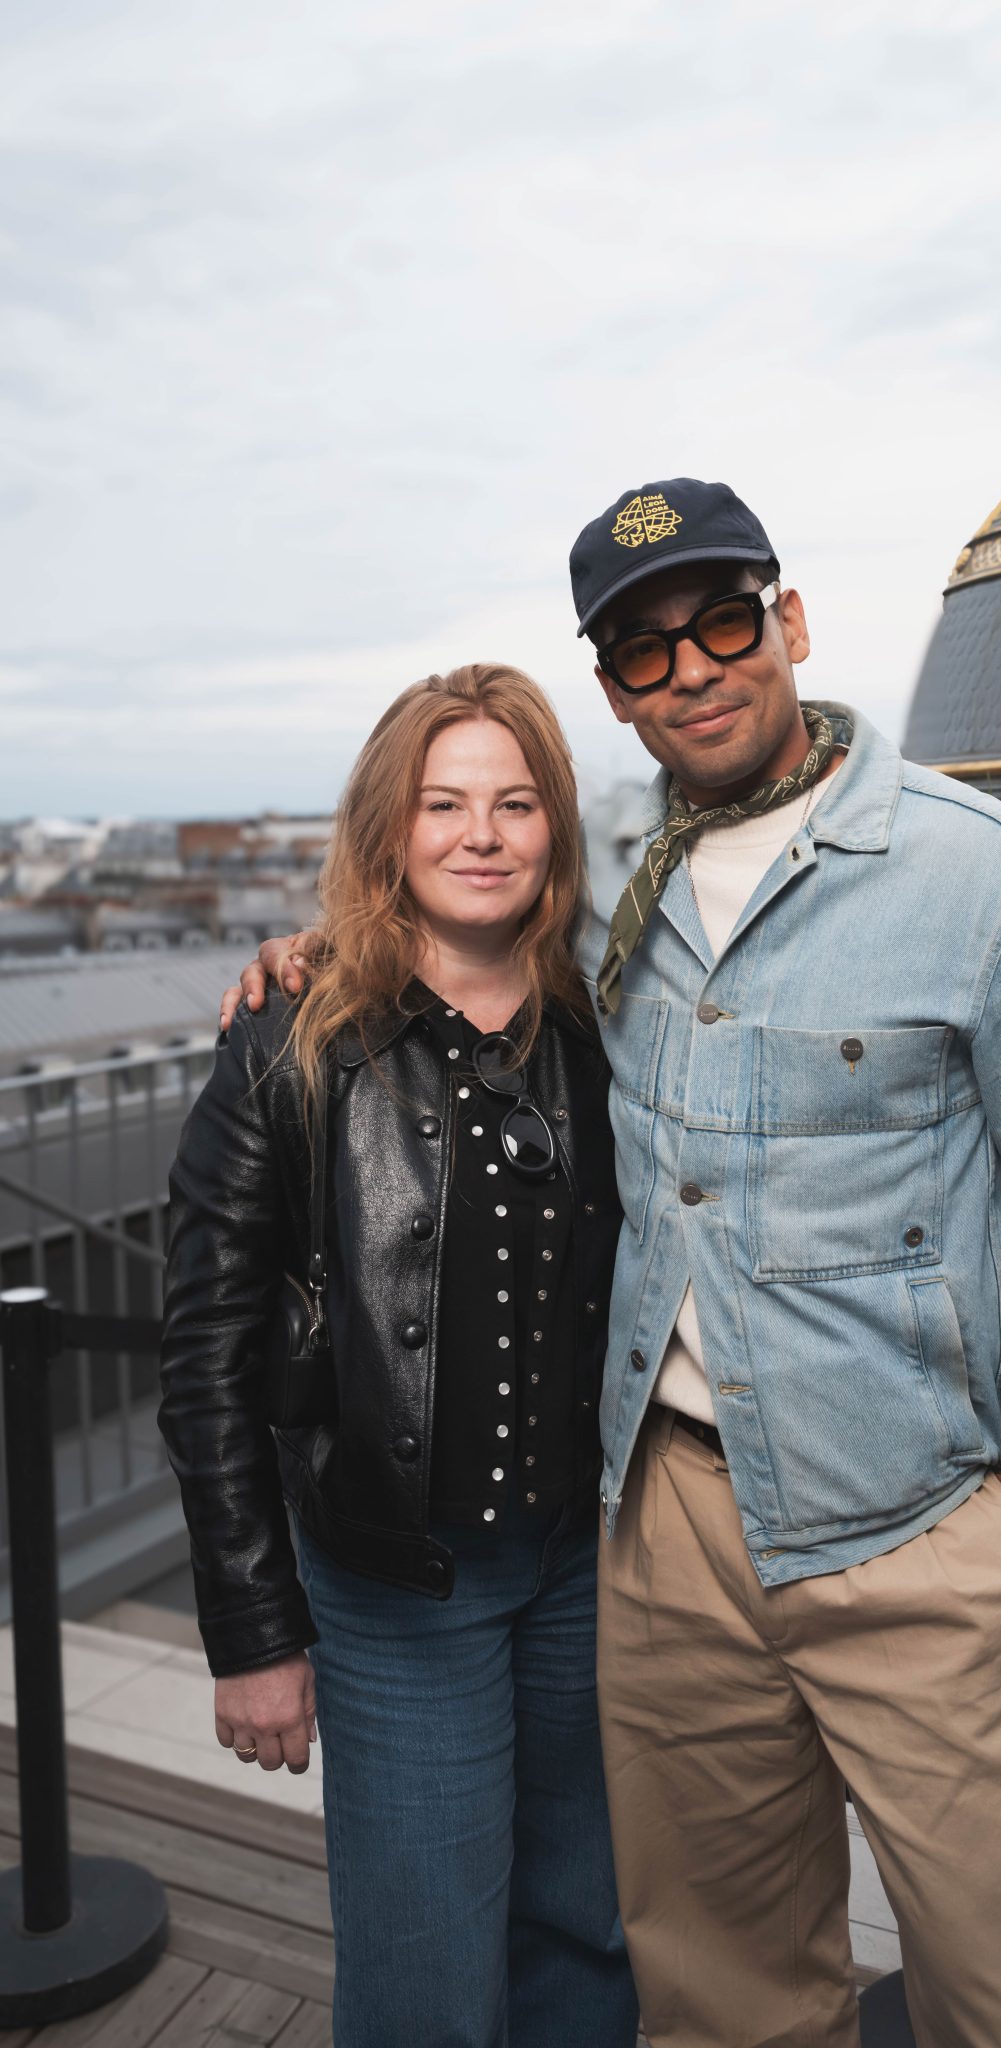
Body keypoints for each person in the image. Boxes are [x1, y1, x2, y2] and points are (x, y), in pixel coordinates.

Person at [231, 478, 1001, 2048]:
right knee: (720, 1998)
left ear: (787, 623)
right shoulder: (618, 902)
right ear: (612, 690)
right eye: (645, 650)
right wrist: (320, 950)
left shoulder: (986, 880)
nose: (694, 669)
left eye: (722, 621)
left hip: (919, 1527)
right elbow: (466, 941)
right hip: (662, 1537)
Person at [165, 667, 638, 2048]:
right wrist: (253, 1632)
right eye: (442, 804)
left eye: (513, 802)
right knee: (426, 1974)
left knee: (584, 1936)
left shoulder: (607, 1027)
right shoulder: (291, 1033)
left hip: (583, 1575)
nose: (478, 834)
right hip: (392, 1593)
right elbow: (203, 1349)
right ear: (389, 830)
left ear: (553, 826)